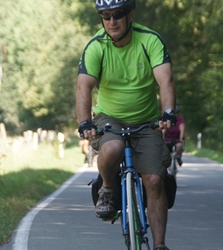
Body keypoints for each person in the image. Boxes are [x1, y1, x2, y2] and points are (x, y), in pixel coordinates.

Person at [76, 1, 176, 249]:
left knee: (154, 180)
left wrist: (168, 112)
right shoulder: (96, 46)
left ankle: (160, 244)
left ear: (130, 14)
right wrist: (84, 122)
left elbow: (165, 80)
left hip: (147, 121)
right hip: (109, 118)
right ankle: (108, 189)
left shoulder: (149, 40)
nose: (112, 22)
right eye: (106, 16)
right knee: (112, 149)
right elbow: (83, 86)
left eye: (117, 15)